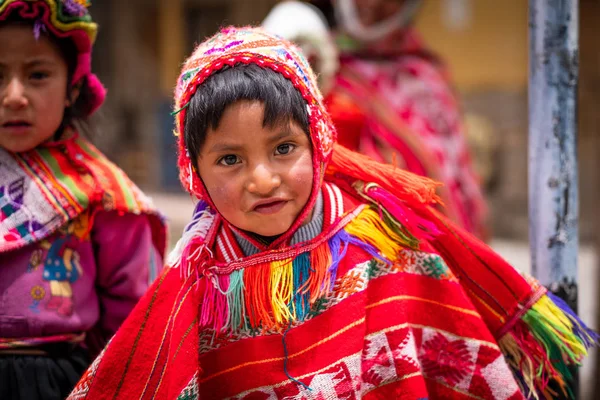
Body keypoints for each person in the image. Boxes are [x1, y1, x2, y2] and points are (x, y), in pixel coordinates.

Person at [68, 27, 596, 400]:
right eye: (230, 159)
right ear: (194, 173)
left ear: (318, 143)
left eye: (283, 149)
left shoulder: (382, 249)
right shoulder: (195, 279)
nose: (264, 179)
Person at [0, 1, 167, 399]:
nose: (14, 95)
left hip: (57, 381)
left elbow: (132, 315)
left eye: (38, 74)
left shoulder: (102, 192)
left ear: (72, 87)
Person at [321, 0, 488, 239]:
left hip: (441, 233)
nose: (373, 3)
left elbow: (458, 170)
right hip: (368, 233)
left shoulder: (428, 72)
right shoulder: (320, 66)